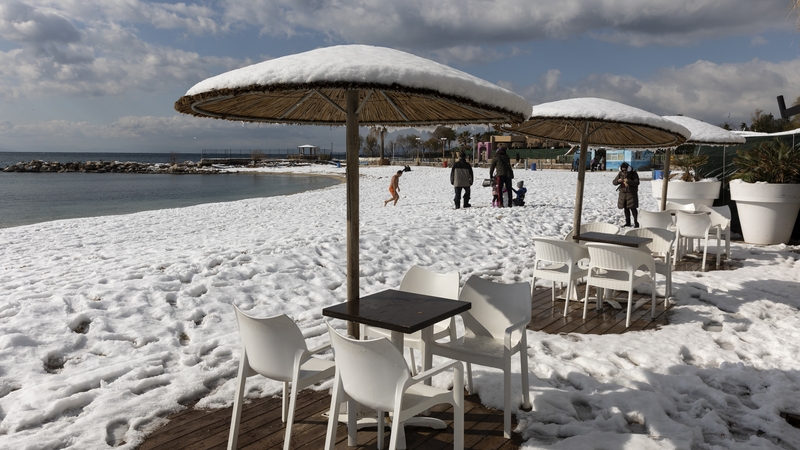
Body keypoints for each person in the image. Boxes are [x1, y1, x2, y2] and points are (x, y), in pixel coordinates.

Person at [613, 162, 640, 227]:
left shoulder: (633, 173)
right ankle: (628, 222)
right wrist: (618, 181)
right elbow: (614, 182)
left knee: (633, 208)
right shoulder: (620, 173)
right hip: (623, 193)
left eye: (625, 169)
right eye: (623, 169)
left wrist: (628, 181)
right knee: (625, 208)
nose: (624, 171)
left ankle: (637, 223)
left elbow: (637, 183)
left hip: (631, 193)